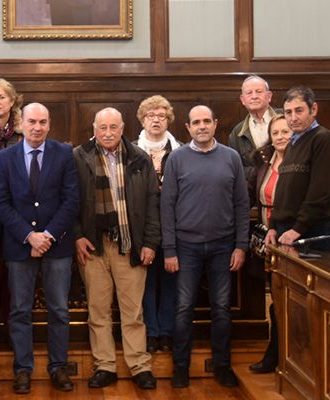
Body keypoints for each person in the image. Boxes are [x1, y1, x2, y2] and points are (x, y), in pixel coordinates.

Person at [161, 105, 249, 389]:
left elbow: (241, 205)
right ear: (187, 127)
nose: (201, 126)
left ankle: (222, 365)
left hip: (224, 246)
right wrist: (169, 249)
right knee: (183, 307)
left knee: (222, 307)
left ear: (215, 124)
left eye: (206, 121)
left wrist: (241, 245)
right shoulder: (176, 159)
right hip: (185, 246)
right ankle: (181, 368)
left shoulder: (231, 157)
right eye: (196, 122)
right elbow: (167, 206)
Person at [0, 103, 79, 394]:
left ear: (49, 124)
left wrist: (48, 235)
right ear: (22, 122)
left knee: (59, 310)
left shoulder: (65, 154)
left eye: (43, 121)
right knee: (19, 310)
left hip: (57, 246)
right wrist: (29, 236)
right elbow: (1, 204)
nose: (37, 127)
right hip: (20, 247)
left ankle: (58, 367)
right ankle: (23, 369)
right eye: (32, 121)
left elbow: (71, 201)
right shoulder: (5, 158)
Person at [73, 108, 159, 390]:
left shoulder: (139, 158)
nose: (108, 133)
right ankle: (105, 366)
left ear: (123, 128)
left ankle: (139, 365)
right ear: (94, 128)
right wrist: (76, 236)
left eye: (113, 127)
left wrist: (149, 242)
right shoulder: (78, 157)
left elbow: (152, 205)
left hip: (129, 244)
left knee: (133, 311)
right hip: (94, 246)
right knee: (98, 311)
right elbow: (68, 202)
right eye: (102, 127)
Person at [133, 95, 181, 353]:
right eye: (151, 115)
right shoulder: (131, 150)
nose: (156, 120)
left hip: (174, 226)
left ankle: (166, 331)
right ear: (142, 119)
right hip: (143, 228)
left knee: (171, 281)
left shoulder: (181, 150)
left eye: (161, 116)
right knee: (146, 282)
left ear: (168, 120)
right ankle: (150, 332)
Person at [266, 86, 330, 251]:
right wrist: (273, 225)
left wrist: (297, 229)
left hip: (311, 231)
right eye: (288, 112)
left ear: (313, 109)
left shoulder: (323, 139)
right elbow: (283, 190)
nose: (293, 117)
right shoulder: (293, 141)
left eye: (299, 110)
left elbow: (321, 192)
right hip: (286, 230)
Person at [248, 114, 291, 374]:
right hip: (268, 236)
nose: (281, 137)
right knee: (275, 295)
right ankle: (275, 352)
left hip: (291, 236)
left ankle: (285, 354)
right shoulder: (265, 162)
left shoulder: (300, 162)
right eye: (276, 133)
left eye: (285, 131)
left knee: (289, 297)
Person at [228, 75, 279, 180]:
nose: (254, 96)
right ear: (243, 99)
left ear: (269, 96)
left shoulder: (285, 119)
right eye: (249, 93)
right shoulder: (237, 133)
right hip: (254, 191)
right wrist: (260, 172)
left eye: (259, 91)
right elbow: (236, 168)